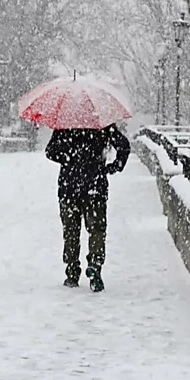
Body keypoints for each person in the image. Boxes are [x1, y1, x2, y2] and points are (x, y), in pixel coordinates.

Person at [45, 123, 130, 292]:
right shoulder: (102, 124)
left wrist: (68, 158)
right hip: (95, 186)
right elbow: (124, 146)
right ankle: (95, 266)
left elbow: (50, 151)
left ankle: (72, 271)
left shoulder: (65, 124)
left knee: (70, 231)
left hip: (69, 186)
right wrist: (114, 166)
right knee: (96, 229)